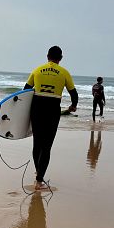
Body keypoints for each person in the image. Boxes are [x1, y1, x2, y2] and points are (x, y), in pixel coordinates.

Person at [24, 46, 78, 191]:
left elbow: (25, 91)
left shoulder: (37, 70)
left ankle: (38, 172)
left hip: (36, 109)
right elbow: (74, 93)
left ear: (47, 56)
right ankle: (39, 180)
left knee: (37, 143)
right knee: (47, 146)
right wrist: (73, 106)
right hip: (52, 110)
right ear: (60, 58)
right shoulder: (64, 72)